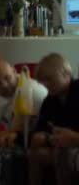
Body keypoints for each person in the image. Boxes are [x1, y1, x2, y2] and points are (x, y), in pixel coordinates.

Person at [30, 53, 79, 185]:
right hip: (60, 147)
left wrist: (74, 138)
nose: (45, 84)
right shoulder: (49, 100)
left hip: (73, 147)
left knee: (64, 153)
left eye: (49, 79)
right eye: (42, 80)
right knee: (36, 154)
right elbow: (41, 128)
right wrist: (42, 136)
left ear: (66, 74)